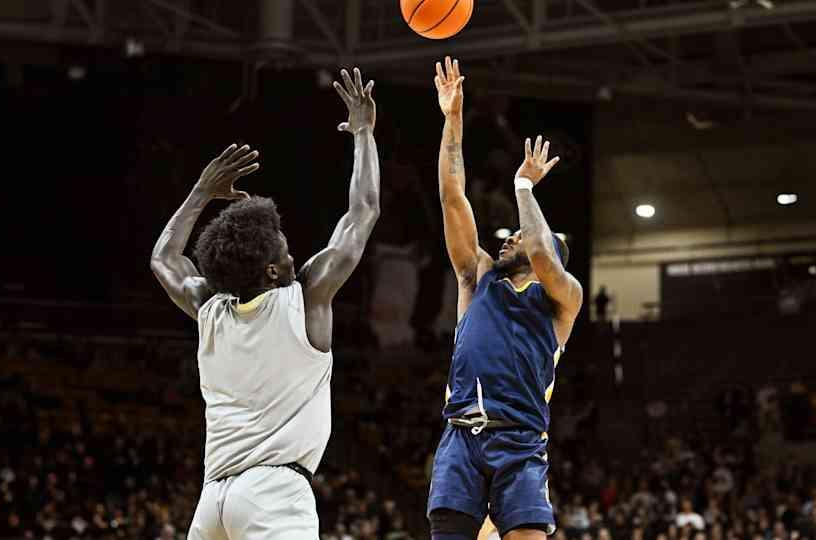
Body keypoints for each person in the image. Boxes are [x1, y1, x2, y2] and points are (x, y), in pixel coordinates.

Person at [149, 67, 380, 539]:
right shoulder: (307, 297)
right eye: (284, 247)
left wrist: (200, 193)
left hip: (213, 501)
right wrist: (363, 133)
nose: (293, 251)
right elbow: (363, 212)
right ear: (273, 271)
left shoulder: (208, 308)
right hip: (274, 494)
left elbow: (164, 257)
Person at [426, 56, 583, 540]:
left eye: (522, 233)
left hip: (520, 442)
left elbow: (540, 248)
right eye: (513, 233)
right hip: (461, 436)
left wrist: (523, 185)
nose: (512, 237)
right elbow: (454, 198)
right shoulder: (478, 279)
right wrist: (452, 119)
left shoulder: (563, 297)